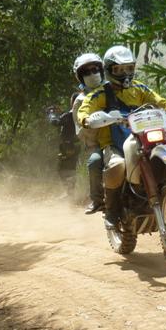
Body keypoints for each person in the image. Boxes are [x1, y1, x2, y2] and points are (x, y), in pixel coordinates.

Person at [77, 45, 166, 229]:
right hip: (114, 143)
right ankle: (112, 210)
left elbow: (159, 100)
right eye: (119, 70)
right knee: (117, 166)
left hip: (141, 137)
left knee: (165, 155)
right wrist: (87, 119)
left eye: (129, 68)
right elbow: (85, 109)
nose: (125, 74)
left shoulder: (139, 88)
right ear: (109, 70)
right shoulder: (101, 93)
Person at [70, 53, 107, 214]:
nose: (92, 74)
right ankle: (98, 200)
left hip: (123, 136)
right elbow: (81, 129)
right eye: (87, 72)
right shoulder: (80, 101)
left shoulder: (113, 89)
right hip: (98, 144)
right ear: (80, 76)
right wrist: (94, 123)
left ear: (101, 70)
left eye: (95, 70)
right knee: (94, 161)